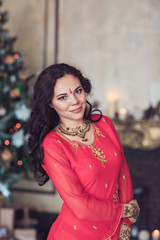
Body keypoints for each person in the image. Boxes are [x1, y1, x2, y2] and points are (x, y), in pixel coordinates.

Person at [28, 63, 140, 240]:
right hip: (76, 234)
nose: (74, 101)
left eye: (78, 91)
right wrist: (126, 210)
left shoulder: (104, 124)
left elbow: (122, 174)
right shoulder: (53, 145)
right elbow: (80, 206)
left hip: (116, 230)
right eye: (63, 97)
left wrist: (125, 226)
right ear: (50, 103)